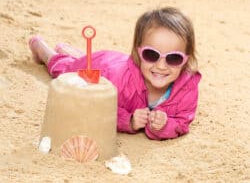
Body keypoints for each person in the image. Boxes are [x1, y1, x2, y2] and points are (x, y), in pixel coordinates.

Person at [29, 7, 201, 140]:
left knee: (82, 59)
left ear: (186, 59)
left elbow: (182, 123)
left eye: (174, 58)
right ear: (138, 52)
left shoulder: (187, 88)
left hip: (111, 62)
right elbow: (100, 108)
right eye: (151, 55)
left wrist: (164, 126)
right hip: (104, 67)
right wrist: (129, 120)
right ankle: (44, 51)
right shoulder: (120, 81)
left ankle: (74, 53)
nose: (161, 66)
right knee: (66, 71)